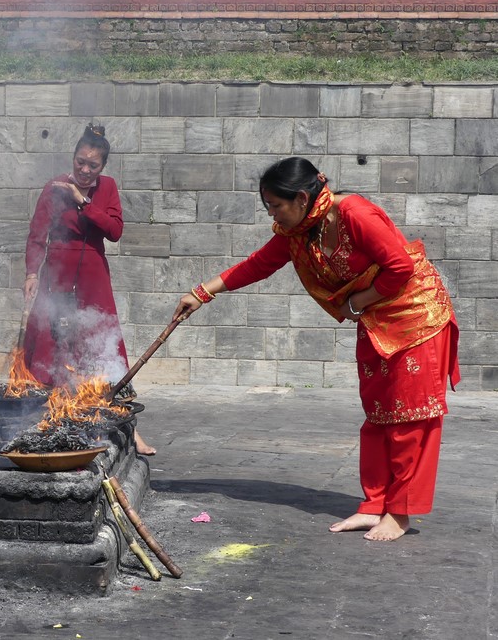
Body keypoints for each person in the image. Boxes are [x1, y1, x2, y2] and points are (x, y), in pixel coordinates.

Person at [173, 156, 460, 542]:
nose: (272, 213)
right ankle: (374, 505)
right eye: (268, 206)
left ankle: (400, 513)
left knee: (410, 419)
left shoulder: (355, 213)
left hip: (417, 317)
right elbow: (259, 264)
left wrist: (355, 304)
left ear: (303, 198)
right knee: (377, 415)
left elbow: (400, 268)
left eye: (276, 205)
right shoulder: (298, 232)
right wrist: (202, 292)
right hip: (377, 318)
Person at [23, 123, 156, 456]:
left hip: (93, 273)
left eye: (92, 165)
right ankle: (48, 418)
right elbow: (38, 234)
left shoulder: (107, 188)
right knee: (50, 342)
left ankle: (126, 428)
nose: (84, 169)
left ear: (102, 167)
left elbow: (114, 230)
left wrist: (82, 201)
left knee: (102, 344)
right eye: (79, 162)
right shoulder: (53, 187)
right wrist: (31, 272)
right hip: (57, 271)